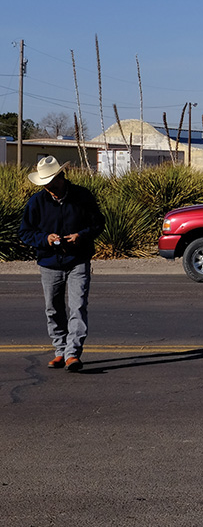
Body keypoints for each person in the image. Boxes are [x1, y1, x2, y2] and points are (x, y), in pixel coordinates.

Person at [18, 157, 105, 373]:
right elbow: (25, 232)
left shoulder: (82, 196)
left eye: (52, 182)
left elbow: (98, 223)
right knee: (53, 308)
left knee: (78, 306)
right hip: (49, 262)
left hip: (78, 260)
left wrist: (81, 236)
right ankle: (60, 349)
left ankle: (72, 354)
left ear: (61, 177)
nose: (49, 188)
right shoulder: (36, 202)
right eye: (45, 184)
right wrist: (45, 239)